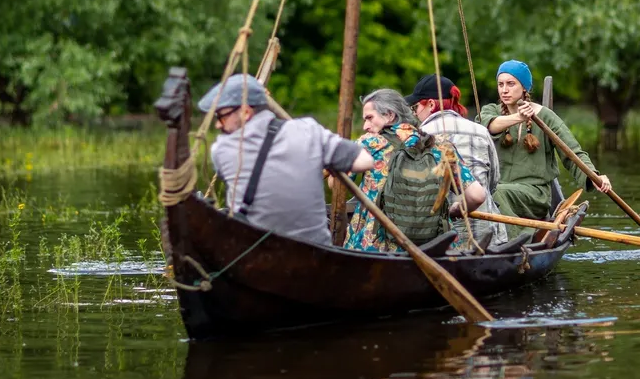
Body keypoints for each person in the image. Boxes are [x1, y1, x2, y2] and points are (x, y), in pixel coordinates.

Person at [197, 73, 374, 246]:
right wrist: (329, 161)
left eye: (222, 116)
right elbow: (365, 161)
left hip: (256, 257)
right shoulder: (308, 131)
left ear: (245, 112)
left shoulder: (221, 150)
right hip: (317, 256)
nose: (218, 124)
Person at [345, 88, 487, 253]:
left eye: (370, 118)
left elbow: (338, 185)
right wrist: (454, 210)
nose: (365, 126)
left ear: (390, 115)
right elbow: (477, 195)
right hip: (435, 250)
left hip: (377, 248)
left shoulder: (370, 144)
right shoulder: (439, 145)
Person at [479, 60, 611, 234]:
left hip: (535, 195)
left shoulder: (546, 117)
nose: (504, 90)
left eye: (511, 84)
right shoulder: (491, 111)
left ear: (524, 87)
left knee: (493, 193)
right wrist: (519, 117)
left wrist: (595, 176)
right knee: (478, 193)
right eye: (500, 84)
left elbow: (572, 153)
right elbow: (489, 126)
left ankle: (520, 238)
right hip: (500, 189)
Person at [405, 73, 508, 247]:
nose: (415, 113)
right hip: (488, 234)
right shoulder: (480, 130)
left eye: (415, 108)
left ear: (431, 104)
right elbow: (493, 182)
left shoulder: (419, 137)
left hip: (441, 239)